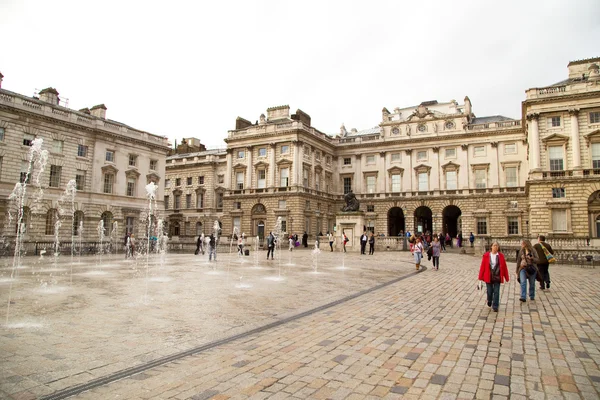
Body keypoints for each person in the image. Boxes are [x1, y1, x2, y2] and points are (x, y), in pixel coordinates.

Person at [478, 241, 510, 312]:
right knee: (489, 291)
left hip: (497, 276)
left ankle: (495, 306)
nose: (495, 247)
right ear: (491, 247)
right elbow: (482, 267)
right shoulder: (486, 255)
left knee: (496, 291)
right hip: (488, 276)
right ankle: (489, 300)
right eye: (494, 245)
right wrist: (480, 277)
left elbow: (504, 267)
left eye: (497, 246)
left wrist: (506, 277)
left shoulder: (501, 256)